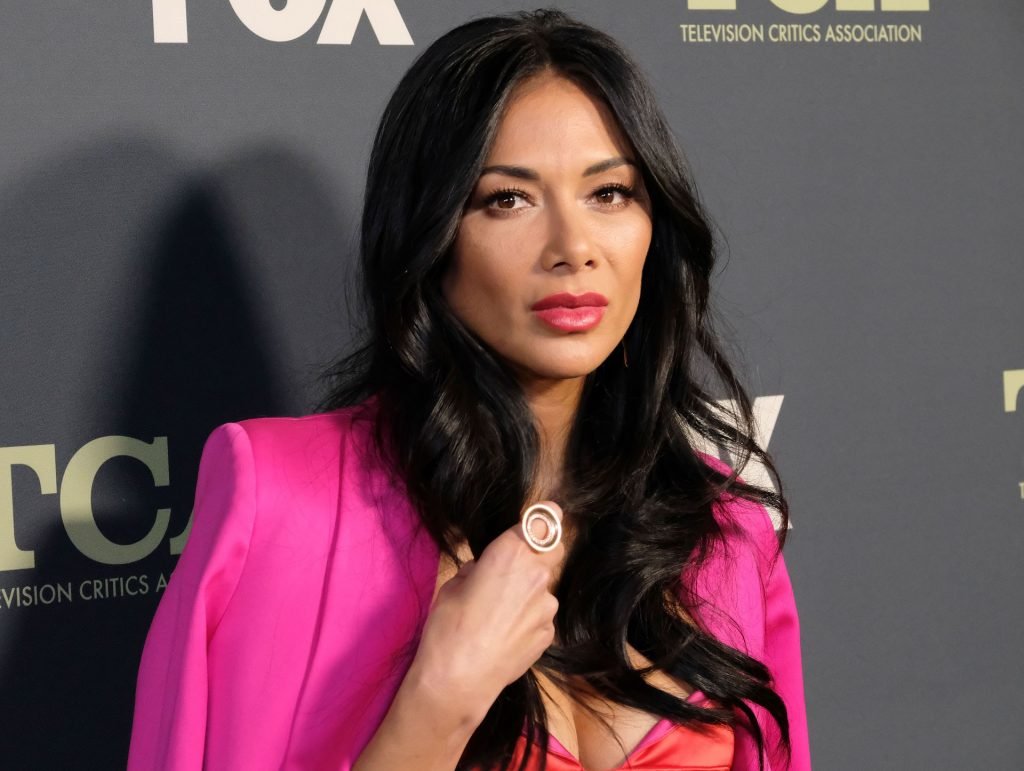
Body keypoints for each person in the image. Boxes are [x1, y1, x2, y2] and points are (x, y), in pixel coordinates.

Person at [127, 8, 810, 771]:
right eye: (507, 199)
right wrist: (440, 697)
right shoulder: (279, 501)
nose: (573, 248)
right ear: (431, 233)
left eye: (610, 193)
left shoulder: (726, 533)